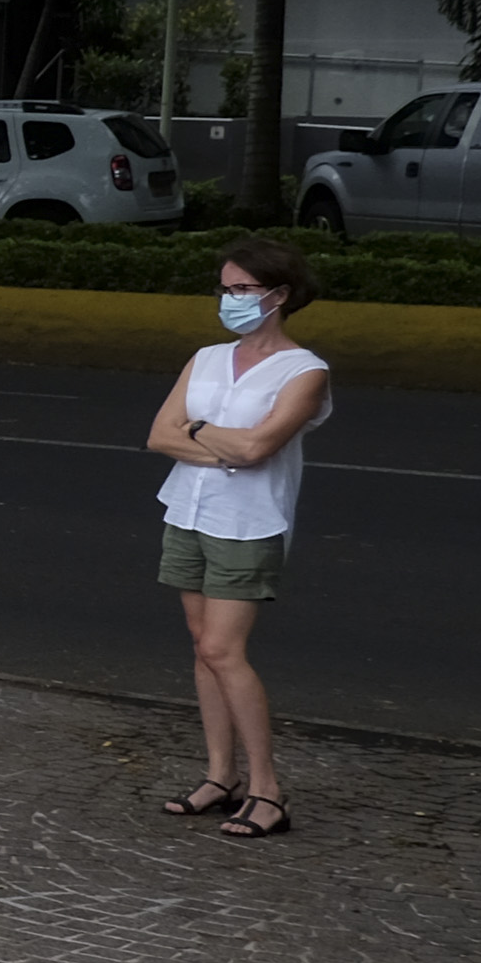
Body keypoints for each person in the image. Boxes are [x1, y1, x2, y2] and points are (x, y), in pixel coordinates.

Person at [146, 238, 332, 841]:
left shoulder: (304, 371)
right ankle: (220, 775)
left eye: (243, 290)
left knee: (226, 651)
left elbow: (258, 449)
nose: (231, 299)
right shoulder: (205, 358)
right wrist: (218, 442)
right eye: (226, 289)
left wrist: (197, 428)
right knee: (203, 648)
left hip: (249, 524)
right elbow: (158, 437)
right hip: (188, 511)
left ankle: (267, 790)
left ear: (278, 295)